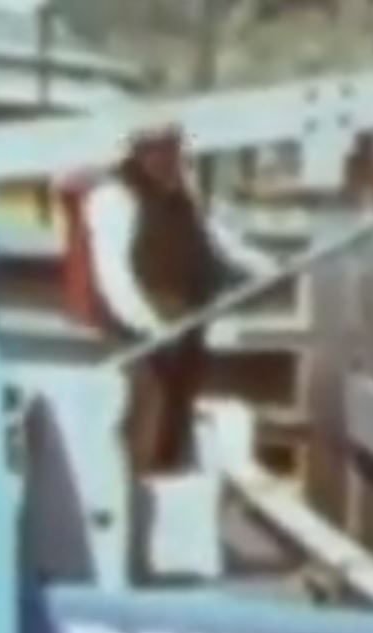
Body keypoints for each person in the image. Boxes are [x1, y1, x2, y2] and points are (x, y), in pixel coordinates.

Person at [72, 122, 281, 474]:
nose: (174, 160)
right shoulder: (112, 198)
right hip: (137, 335)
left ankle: (168, 493)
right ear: (142, 153)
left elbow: (216, 240)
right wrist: (150, 327)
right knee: (143, 418)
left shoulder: (183, 192)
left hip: (187, 326)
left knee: (177, 416)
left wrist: (267, 267)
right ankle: (133, 501)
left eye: (176, 150)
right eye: (164, 151)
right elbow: (114, 277)